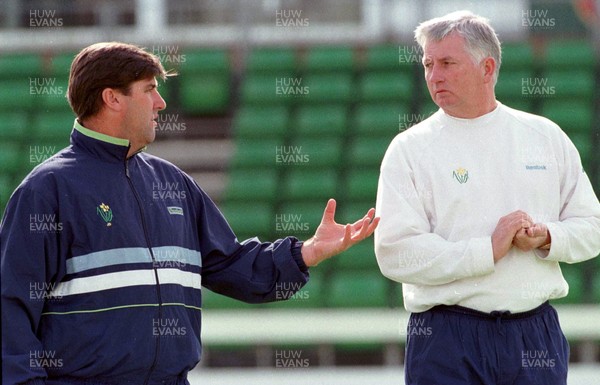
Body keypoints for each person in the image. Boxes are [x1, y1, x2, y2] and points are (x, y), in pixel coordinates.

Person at [0, 42, 379, 385]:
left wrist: (306, 252)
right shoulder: (45, 190)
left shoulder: (173, 183)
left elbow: (231, 265)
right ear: (112, 98)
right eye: (149, 90)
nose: (161, 103)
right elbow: (10, 304)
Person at [375, 10, 600, 385]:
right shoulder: (408, 149)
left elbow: (593, 227)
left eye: (447, 63)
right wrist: (486, 250)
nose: (434, 75)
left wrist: (548, 236)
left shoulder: (544, 136)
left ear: (487, 66)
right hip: (444, 337)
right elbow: (395, 252)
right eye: (428, 64)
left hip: (534, 332)